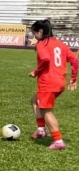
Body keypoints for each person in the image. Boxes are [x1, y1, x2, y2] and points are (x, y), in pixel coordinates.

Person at [29, 19, 77, 150]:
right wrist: (73, 79)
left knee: (45, 110)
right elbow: (74, 60)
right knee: (35, 100)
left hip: (48, 82)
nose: (34, 36)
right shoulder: (61, 44)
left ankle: (58, 141)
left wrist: (36, 72)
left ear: (40, 31)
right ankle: (41, 130)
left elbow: (45, 59)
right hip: (59, 82)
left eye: (34, 33)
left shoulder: (41, 43)